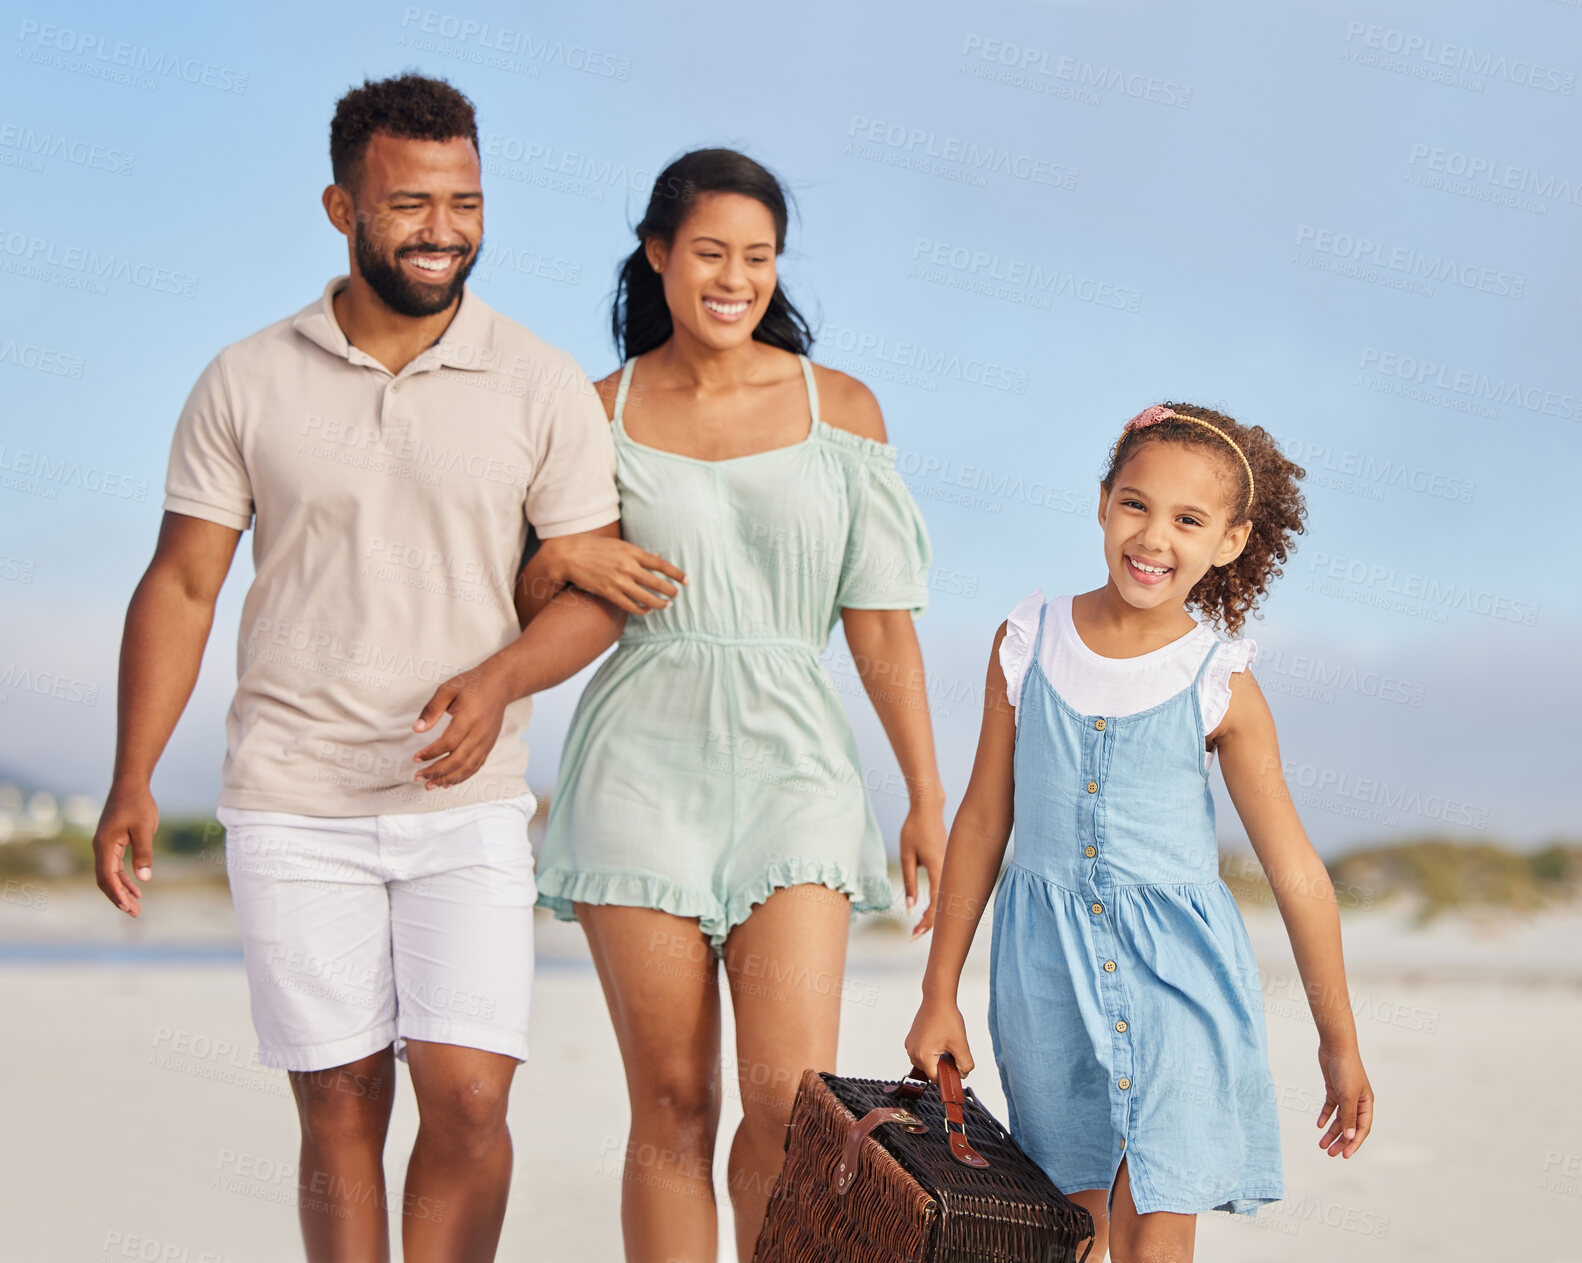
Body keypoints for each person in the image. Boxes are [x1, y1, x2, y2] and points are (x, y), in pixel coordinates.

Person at [90, 74, 628, 1262]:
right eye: (410, 203)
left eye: (466, 201)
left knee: (472, 1100)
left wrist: (496, 683)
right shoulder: (245, 378)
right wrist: (132, 775)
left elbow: (594, 591)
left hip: (466, 802)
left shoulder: (537, 382)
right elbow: (182, 584)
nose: (443, 229)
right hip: (292, 799)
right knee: (338, 1108)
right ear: (342, 207)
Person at [521, 148, 947, 1262]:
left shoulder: (840, 408)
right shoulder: (590, 409)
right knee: (670, 1108)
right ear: (657, 253)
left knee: (789, 1107)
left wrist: (923, 792)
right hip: (638, 771)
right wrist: (567, 553)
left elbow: (882, 623)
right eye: (709, 251)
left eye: (758, 257)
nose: (734, 277)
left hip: (795, 772)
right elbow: (529, 592)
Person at [905, 404, 1376, 1262]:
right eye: (1136, 505)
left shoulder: (1221, 682)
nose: (1153, 536)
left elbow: (1298, 872)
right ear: (1101, 503)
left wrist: (1337, 1040)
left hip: (1183, 982)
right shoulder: (1026, 640)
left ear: (1229, 541)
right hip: (1043, 977)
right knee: (1068, 1229)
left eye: (1188, 520)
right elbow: (982, 819)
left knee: (1156, 1237)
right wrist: (940, 992)